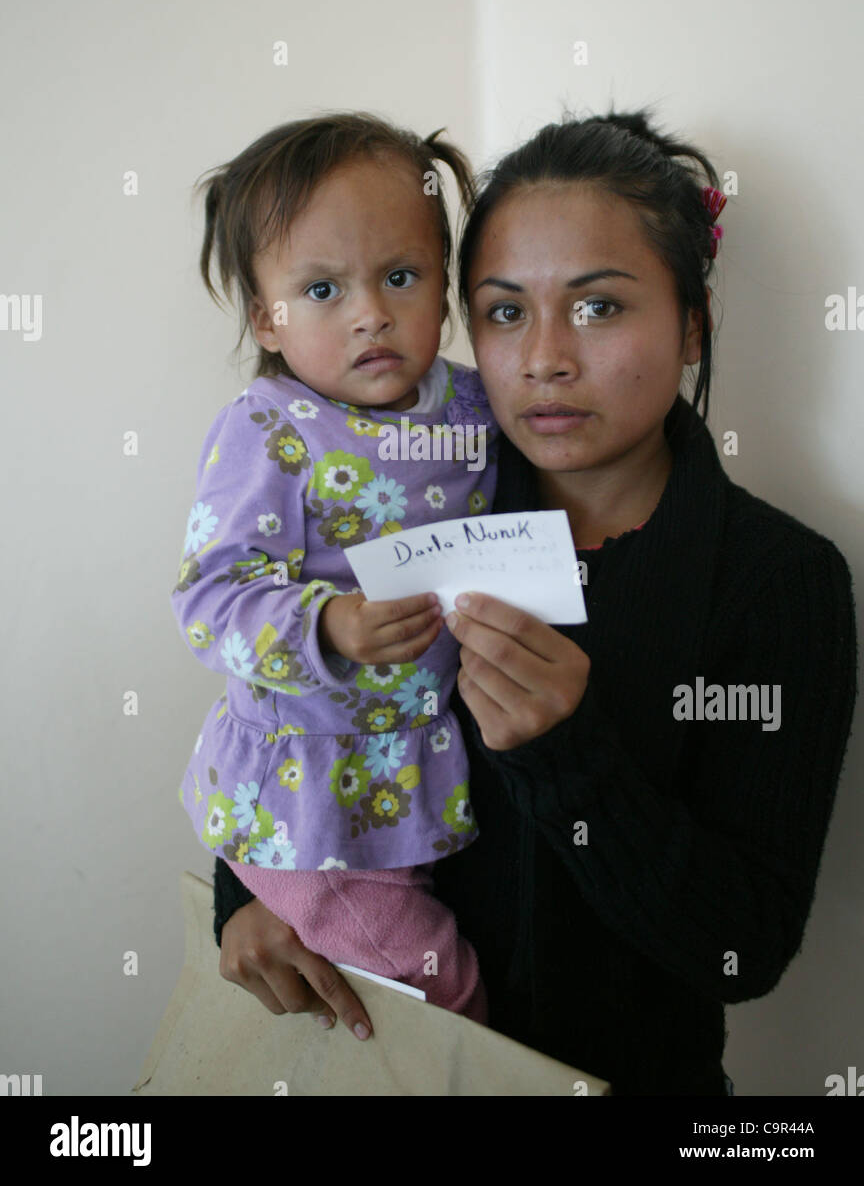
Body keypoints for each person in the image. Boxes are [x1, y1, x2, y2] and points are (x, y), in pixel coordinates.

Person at [212, 109, 858, 1095]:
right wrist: (249, 894)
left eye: (599, 307)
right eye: (505, 312)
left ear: (693, 321)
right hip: (380, 1062)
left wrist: (570, 752)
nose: (546, 357)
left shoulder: (778, 580)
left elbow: (745, 946)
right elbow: (284, 703)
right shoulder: (416, 492)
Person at [171, 111, 499, 1021]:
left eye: (401, 277)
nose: (370, 313)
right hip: (309, 812)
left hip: (419, 779)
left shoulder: (476, 406)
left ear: (446, 285)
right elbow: (209, 598)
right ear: (264, 318)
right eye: (322, 290)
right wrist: (328, 622)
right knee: (444, 991)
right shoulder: (271, 431)